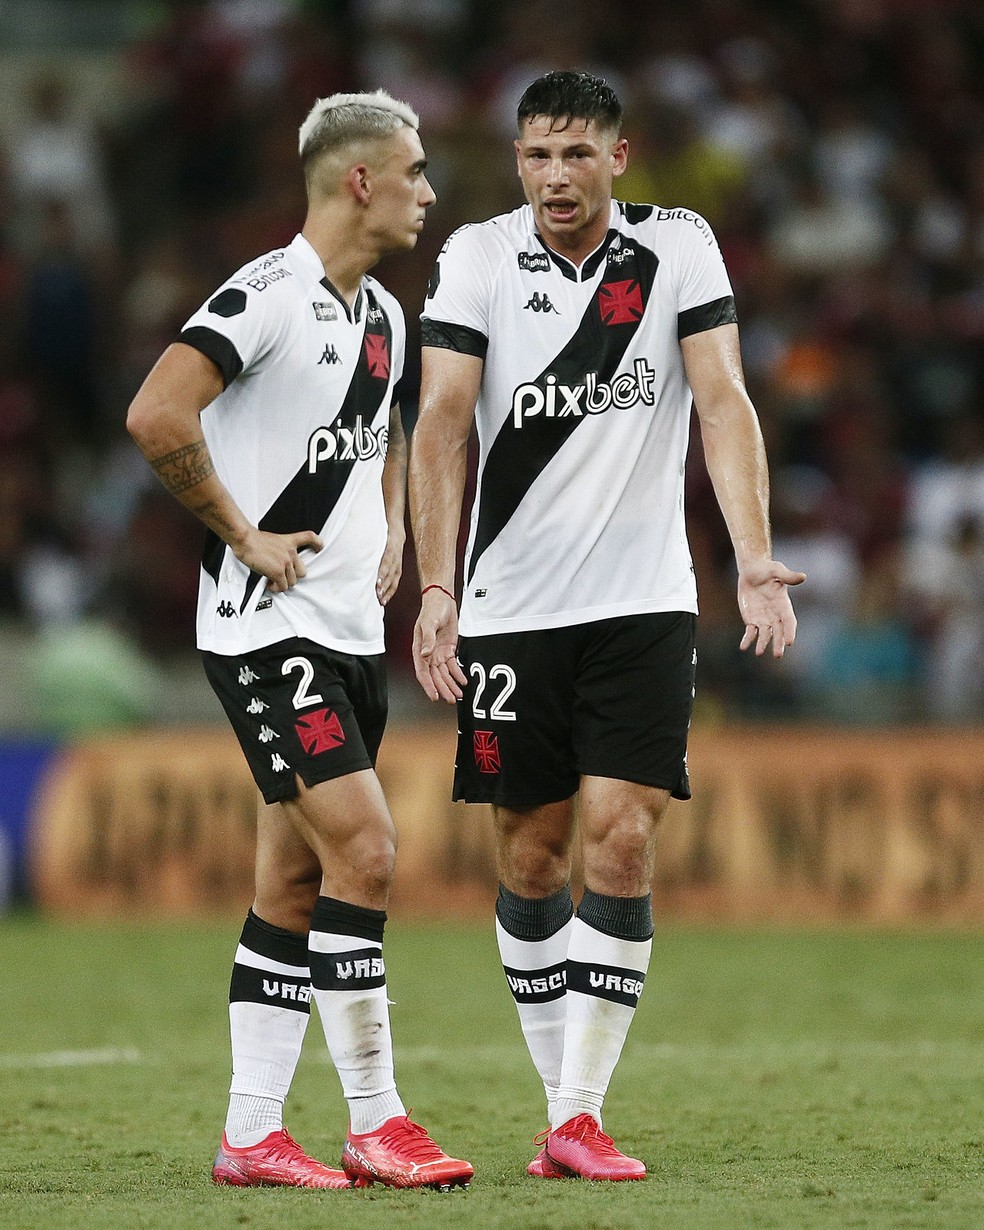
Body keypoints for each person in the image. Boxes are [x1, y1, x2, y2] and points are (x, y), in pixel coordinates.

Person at [409, 70, 804, 1182]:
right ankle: (558, 1103)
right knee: (531, 854)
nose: (555, 176)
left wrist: (751, 557)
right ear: (516, 161)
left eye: (576, 154)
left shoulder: (679, 246)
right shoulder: (479, 258)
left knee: (623, 836)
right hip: (509, 606)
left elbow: (721, 398)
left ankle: (579, 1115)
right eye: (536, 155)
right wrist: (436, 589)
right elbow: (441, 421)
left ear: (618, 160)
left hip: (643, 600)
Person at [127, 90, 473, 1193]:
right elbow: (157, 414)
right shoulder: (263, 296)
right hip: (262, 626)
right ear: (358, 180)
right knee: (367, 853)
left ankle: (251, 1136)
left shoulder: (383, 314)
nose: (428, 191)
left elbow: (375, 435)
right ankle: (376, 1118)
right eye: (413, 171)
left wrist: (391, 541)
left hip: (343, 631)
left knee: (290, 886)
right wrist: (245, 534)